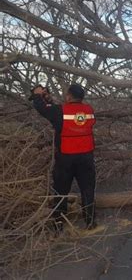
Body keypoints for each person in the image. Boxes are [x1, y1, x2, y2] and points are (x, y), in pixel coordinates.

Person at [31, 83, 97, 231]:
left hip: (66, 158)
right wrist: (48, 100)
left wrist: (37, 95)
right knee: (87, 188)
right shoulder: (89, 110)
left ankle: (58, 224)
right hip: (86, 156)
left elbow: (45, 110)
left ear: (68, 96)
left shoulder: (60, 111)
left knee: (61, 190)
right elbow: (65, 115)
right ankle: (90, 222)